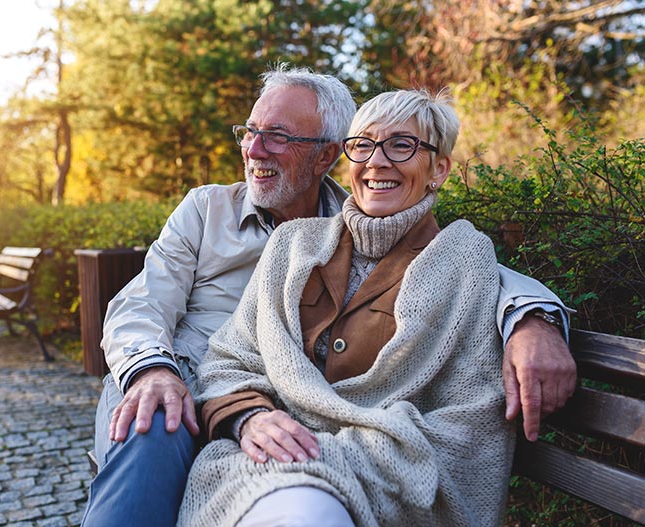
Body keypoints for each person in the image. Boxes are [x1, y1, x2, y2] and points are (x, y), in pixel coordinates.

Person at [80, 65, 574, 527]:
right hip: (181, 382)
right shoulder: (211, 211)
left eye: (277, 136)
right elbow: (140, 305)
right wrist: (153, 371)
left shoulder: (361, 219)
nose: (254, 149)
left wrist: (534, 318)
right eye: (250, 132)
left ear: (325, 155)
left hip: (284, 421)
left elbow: (470, 267)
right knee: (151, 425)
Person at [179, 87, 516, 526]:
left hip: (386, 475)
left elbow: (470, 416)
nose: (377, 161)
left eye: (402, 145)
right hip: (261, 464)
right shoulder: (292, 244)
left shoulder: (466, 260)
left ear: (439, 169)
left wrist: (327, 454)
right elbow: (230, 359)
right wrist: (250, 418)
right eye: (363, 145)